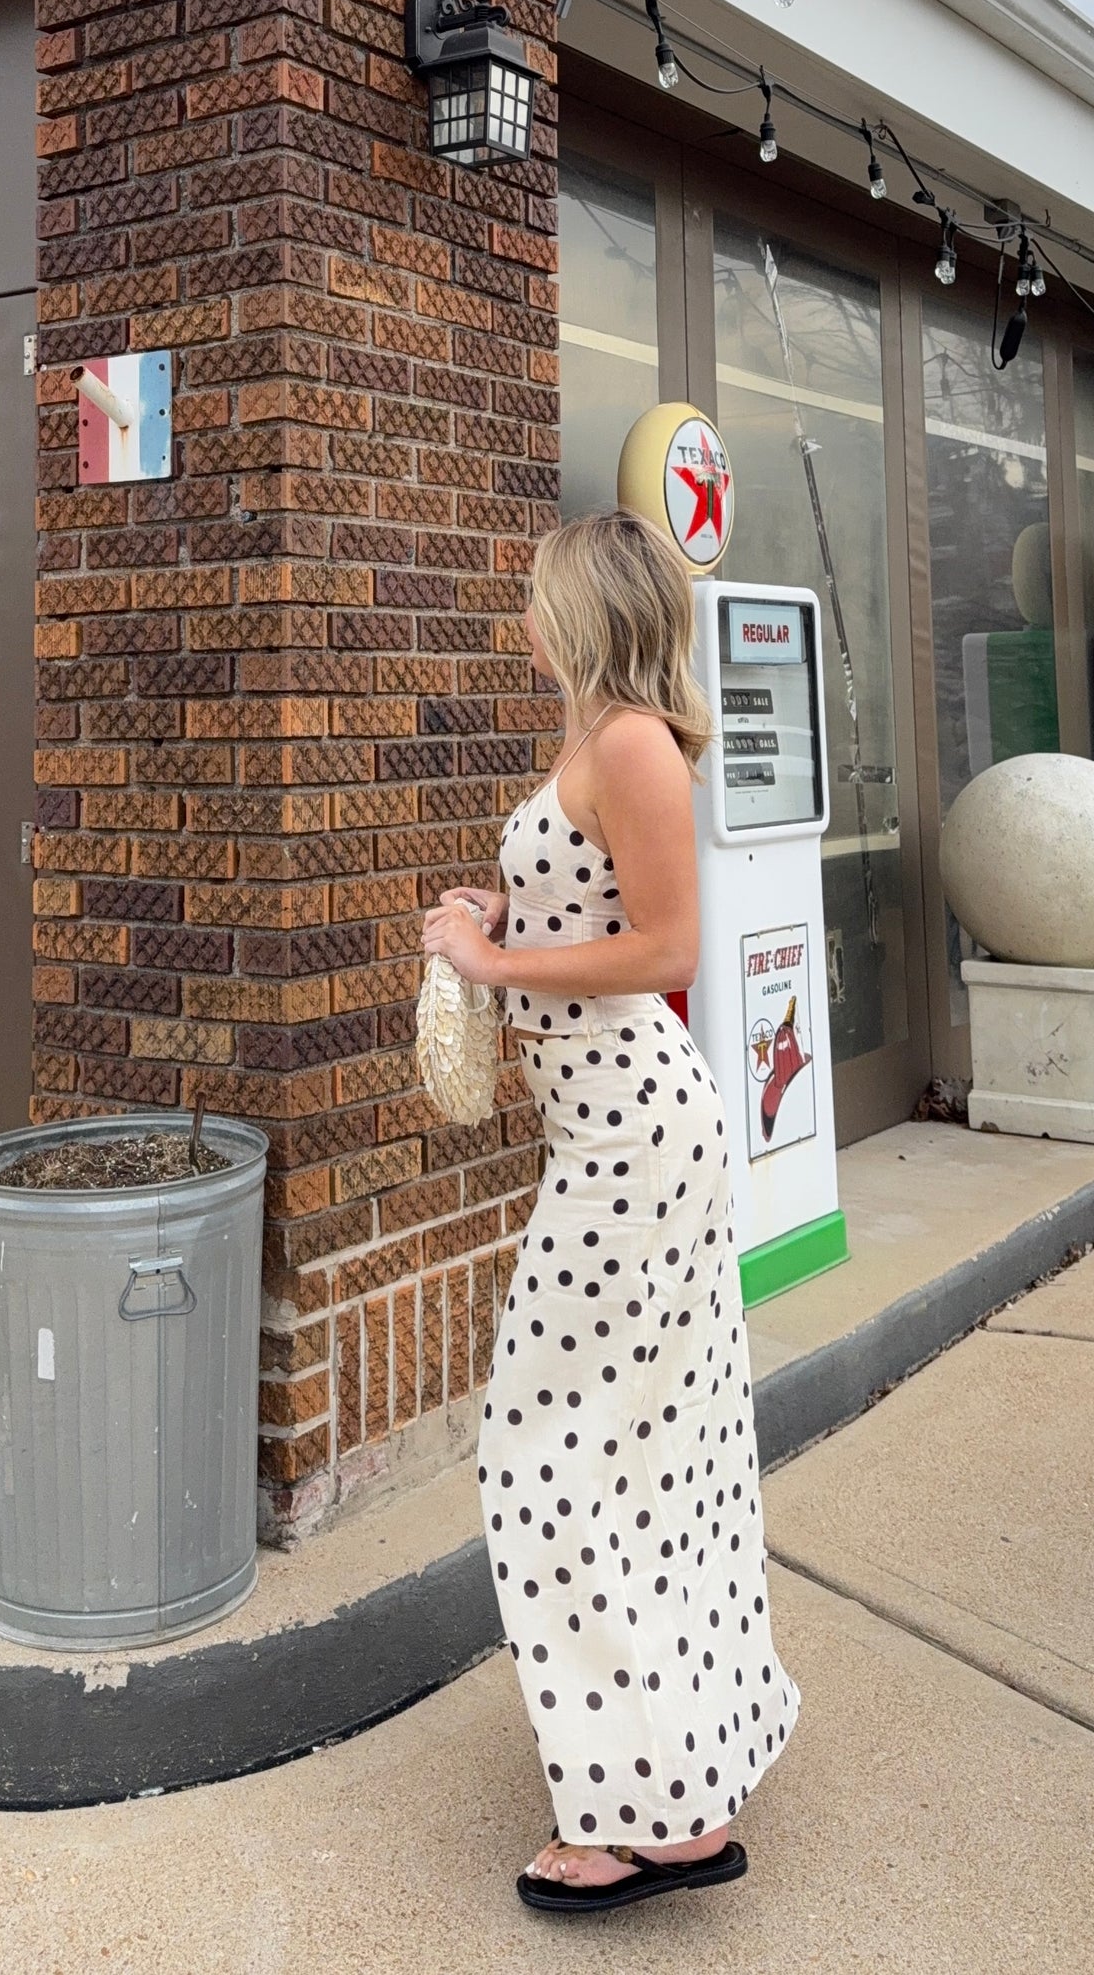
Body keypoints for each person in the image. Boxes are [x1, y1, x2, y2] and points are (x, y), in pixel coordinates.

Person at [422, 508, 800, 1916]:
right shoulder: (591, 739)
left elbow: (669, 948)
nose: (521, 612)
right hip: (612, 1130)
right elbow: (596, 916)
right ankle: (674, 1779)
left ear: (583, 609)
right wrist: (504, 928)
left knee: (541, 1443)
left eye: (536, 594)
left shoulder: (631, 742)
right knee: (649, 1442)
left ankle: (632, 1804)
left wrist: (491, 959)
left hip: (635, 1138)